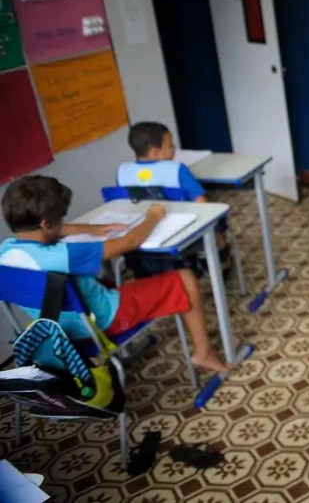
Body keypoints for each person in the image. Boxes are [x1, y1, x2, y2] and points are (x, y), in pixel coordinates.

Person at [0, 176, 230, 372]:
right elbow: (132, 241)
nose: (64, 221)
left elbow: (54, 231)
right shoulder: (64, 255)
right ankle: (204, 353)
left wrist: (91, 229)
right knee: (185, 278)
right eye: (61, 217)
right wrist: (155, 215)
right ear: (45, 223)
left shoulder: (6, 252)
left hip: (60, 332)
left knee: (105, 280)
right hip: (103, 320)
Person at [117, 121, 231, 276]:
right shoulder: (177, 169)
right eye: (170, 145)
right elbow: (202, 204)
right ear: (155, 152)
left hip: (142, 235)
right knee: (217, 219)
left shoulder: (123, 172)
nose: (174, 148)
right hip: (179, 234)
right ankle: (221, 262)